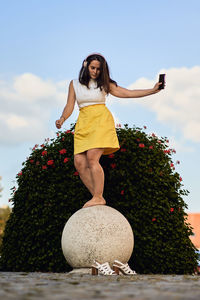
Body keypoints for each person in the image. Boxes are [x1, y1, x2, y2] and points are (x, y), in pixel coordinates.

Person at [55, 53, 162, 208]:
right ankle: (97, 198)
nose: (95, 72)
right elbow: (69, 105)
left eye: (99, 69)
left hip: (100, 120)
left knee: (92, 158)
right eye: (93, 68)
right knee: (79, 162)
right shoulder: (74, 84)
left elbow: (128, 93)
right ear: (85, 65)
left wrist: (152, 91)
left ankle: (98, 197)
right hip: (84, 123)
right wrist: (62, 118)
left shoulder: (104, 83)